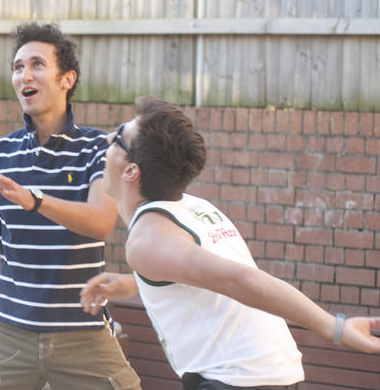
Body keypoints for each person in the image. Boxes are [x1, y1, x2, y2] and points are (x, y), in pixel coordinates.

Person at [81, 97, 380, 390]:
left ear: (131, 171)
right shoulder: (192, 207)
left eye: (118, 136)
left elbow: (241, 278)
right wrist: (136, 283)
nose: (108, 137)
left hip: (237, 379)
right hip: (269, 373)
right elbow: (197, 275)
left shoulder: (148, 239)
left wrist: (336, 328)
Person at [0, 23, 142, 390]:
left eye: (36, 65)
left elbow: (99, 222)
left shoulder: (99, 149)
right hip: (9, 333)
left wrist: (35, 200)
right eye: (18, 67)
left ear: (67, 79)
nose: (24, 76)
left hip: (83, 333)